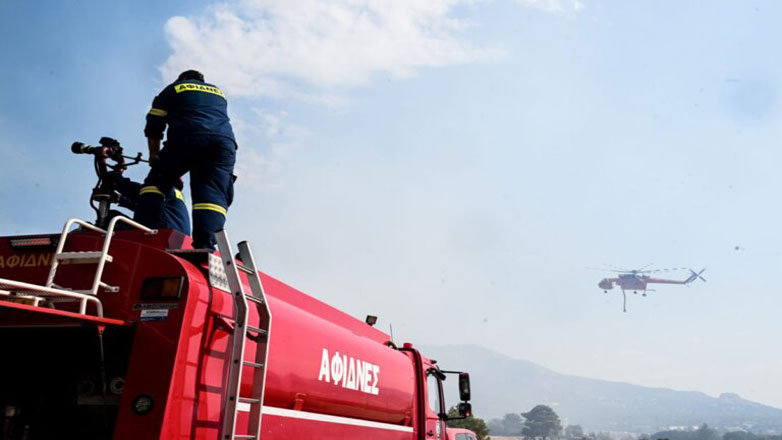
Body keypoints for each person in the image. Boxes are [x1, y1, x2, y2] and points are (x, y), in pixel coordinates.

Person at [135, 70, 237, 250]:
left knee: (155, 184)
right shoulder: (218, 93)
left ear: (181, 78)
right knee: (211, 197)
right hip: (223, 145)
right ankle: (205, 246)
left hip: (187, 138)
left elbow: (154, 123)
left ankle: (147, 231)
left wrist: (154, 155)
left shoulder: (175, 88)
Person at [106, 172, 191, 236]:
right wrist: (121, 199)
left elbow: (132, 189)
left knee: (112, 217)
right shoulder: (175, 195)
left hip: (160, 233)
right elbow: (147, 208)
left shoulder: (161, 187)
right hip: (177, 237)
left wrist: (114, 177)